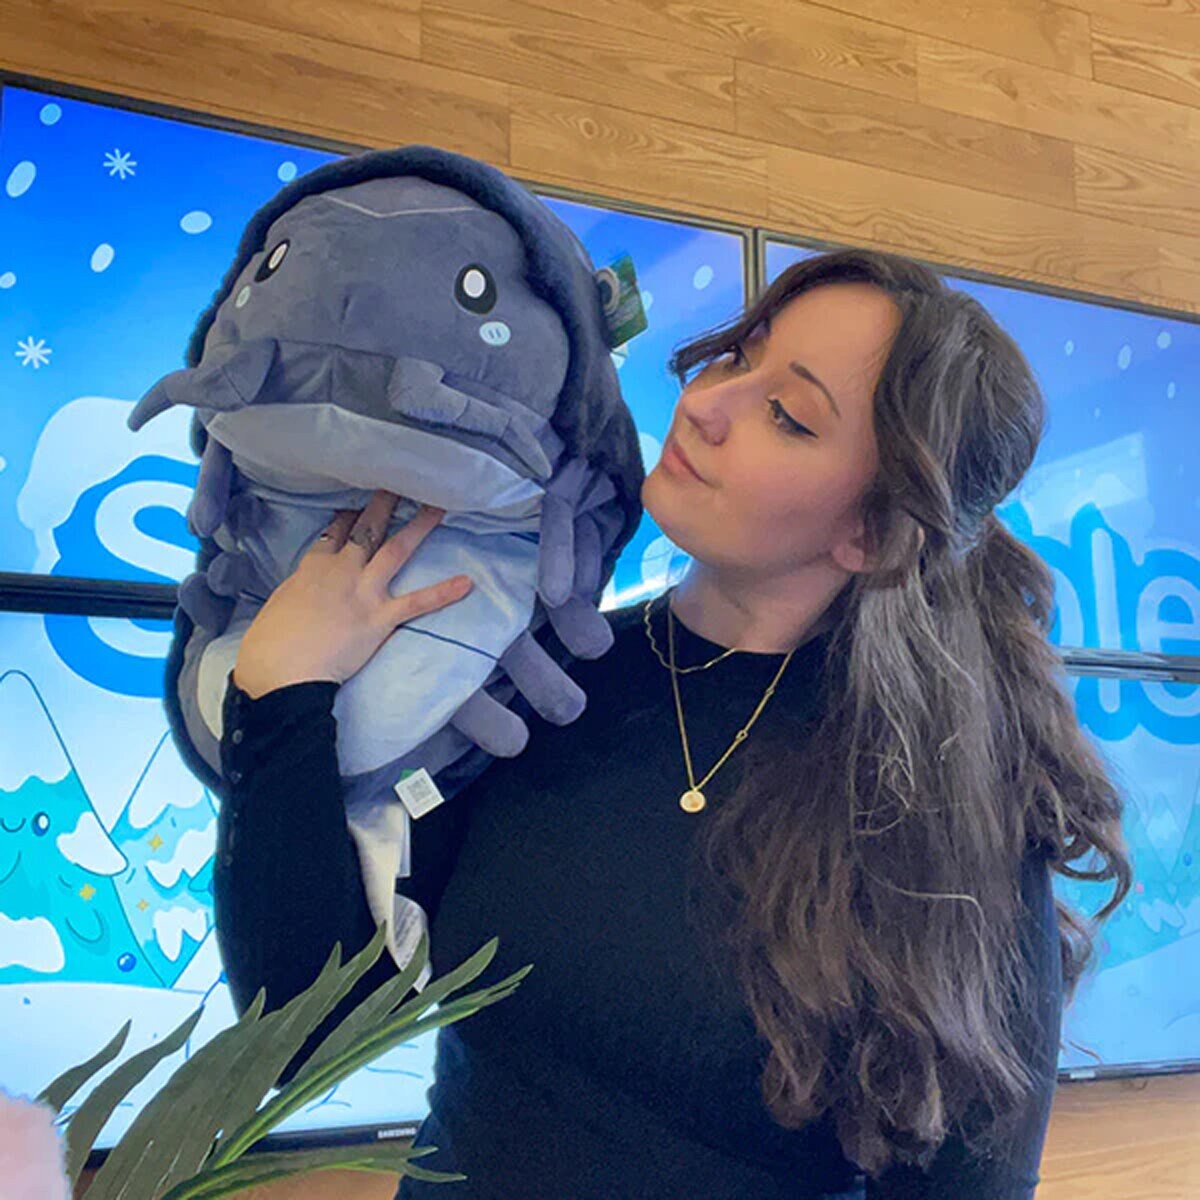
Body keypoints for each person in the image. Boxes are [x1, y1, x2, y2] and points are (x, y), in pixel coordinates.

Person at [213, 248, 1132, 1199]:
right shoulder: (535, 682)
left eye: (788, 414)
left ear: (871, 532)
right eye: (739, 356)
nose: (706, 403)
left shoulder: (941, 805)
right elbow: (306, 1028)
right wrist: (281, 693)